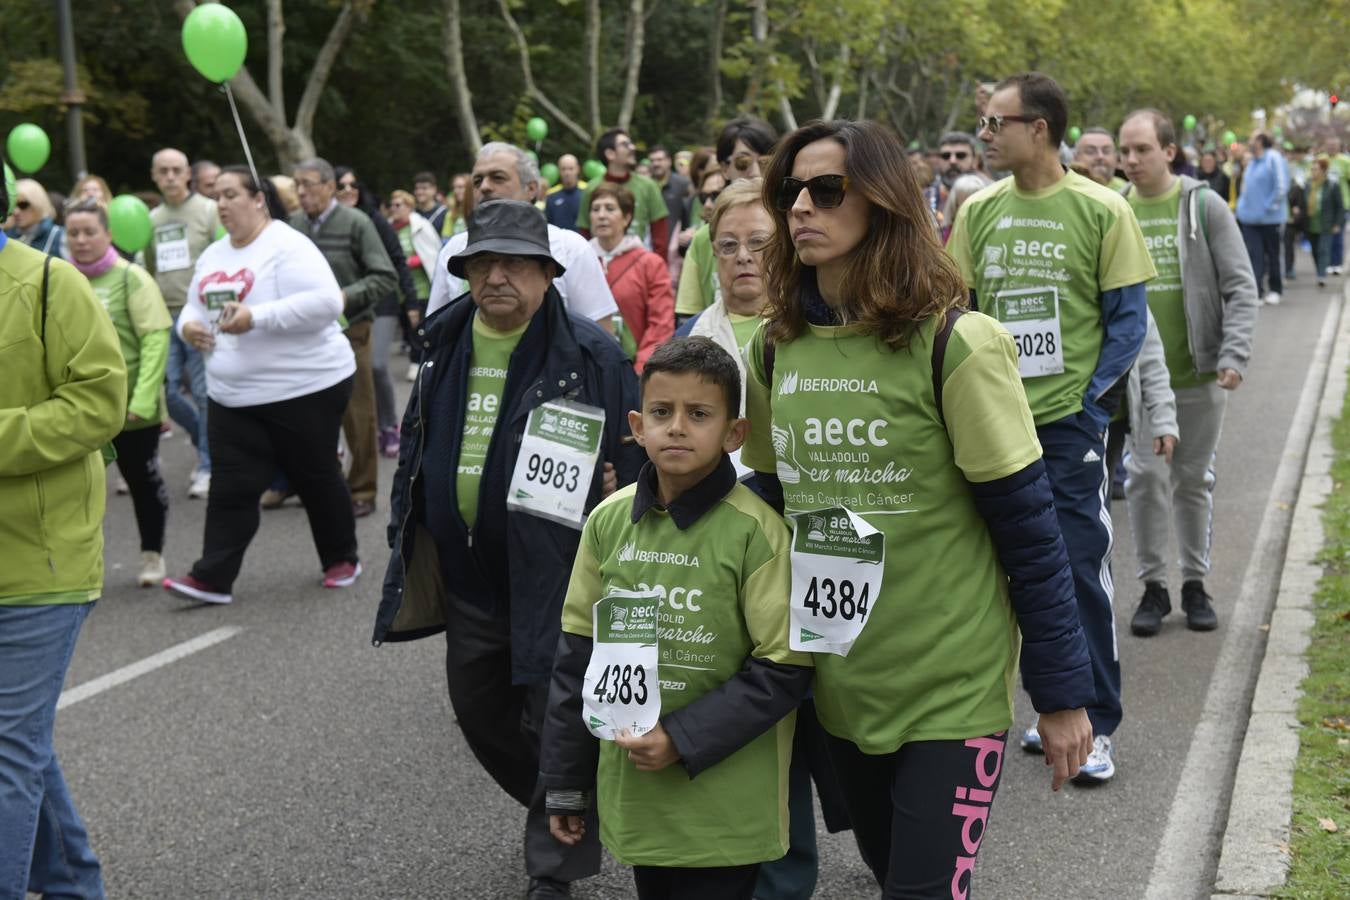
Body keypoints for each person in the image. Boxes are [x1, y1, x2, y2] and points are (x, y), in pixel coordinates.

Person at [742, 119, 1093, 897]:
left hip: (951, 687)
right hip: (840, 684)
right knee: (885, 868)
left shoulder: (957, 345)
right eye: (789, 191)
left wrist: (1064, 693)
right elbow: (767, 509)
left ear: (884, 203)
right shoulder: (773, 349)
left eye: (827, 190)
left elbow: (1031, 531)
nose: (801, 206)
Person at [373, 199, 643, 899]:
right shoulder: (443, 344)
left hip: (556, 571)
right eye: (481, 263)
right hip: (469, 575)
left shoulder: (593, 354)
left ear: (548, 274)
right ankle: (572, 802)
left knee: (549, 714)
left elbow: (638, 460)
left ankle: (553, 866)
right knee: (482, 712)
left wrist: (621, 489)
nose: (496, 276)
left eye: (514, 263)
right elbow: (417, 446)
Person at [541, 337, 812, 900]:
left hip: (726, 800)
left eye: (700, 414)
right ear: (638, 426)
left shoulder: (756, 532)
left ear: (735, 433)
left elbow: (784, 667)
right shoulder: (608, 522)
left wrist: (682, 739)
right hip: (639, 795)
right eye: (662, 413)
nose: (678, 427)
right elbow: (577, 656)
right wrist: (565, 784)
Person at [948, 72, 1155, 783]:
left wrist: (1089, 401)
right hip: (987, 424)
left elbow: (1128, 322)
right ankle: (1039, 711)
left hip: (1067, 427)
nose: (985, 134)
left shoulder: (1102, 209)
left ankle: (1094, 722)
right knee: (993, 574)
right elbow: (959, 308)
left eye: (995, 123)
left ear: (1037, 127)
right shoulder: (978, 211)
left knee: (1074, 569)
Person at [1, 161, 125, 899]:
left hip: (43, 564)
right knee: (16, 745)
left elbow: (98, 405)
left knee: (7, 749)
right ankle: (76, 884)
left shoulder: (52, 284)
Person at [162, 166, 360, 605]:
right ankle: (212, 577)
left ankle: (341, 558)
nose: (223, 204)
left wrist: (257, 317)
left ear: (259, 200)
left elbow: (327, 302)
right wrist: (189, 329)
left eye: (232, 194)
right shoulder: (214, 254)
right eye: (217, 196)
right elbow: (190, 309)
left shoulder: (288, 246)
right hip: (234, 396)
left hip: (305, 388)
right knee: (232, 485)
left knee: (315, 476)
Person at [1117, 109, 1259, 635]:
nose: (1130, 161)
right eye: (1124, 151)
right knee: (1146, 480)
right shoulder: (1114, 209)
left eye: (1141, 150)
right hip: (1140, 380)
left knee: (1193, 480)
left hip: (1199, 375)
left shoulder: (1204, 206)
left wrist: (1234, 355)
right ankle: (1153, 586)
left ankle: (1195, 583)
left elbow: (1241, 286)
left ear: (1169, 151)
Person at [66, 197, 174, 586]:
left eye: (89, 232)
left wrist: (142, 400)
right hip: (78, 410)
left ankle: (152, 556)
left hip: (131, 410)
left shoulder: (132, 278)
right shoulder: (62, 279)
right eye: (73, 233)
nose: (81, 240)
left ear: (108, 234)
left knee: (143, 483)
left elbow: (155, 339)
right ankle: (82, 565)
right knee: (77, 490)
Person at [289, 157, 397, 518]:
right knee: (306, 416)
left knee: (358, 413)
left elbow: (385, 276)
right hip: (304, 333)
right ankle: (316, 486)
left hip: (351, 330)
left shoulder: (357, 223)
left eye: (308, 184)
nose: (301, 193)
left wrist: (344, 297)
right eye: (297, 185)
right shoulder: (293, 226)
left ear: (330, 186)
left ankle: (363, 489)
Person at [425, 142, 618, 333]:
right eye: (477, 181)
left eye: (497, 178)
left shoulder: (571, 248)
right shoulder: (453, 250)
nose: (484, 187)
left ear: (532, 189)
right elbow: (436, 329)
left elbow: (601, 338)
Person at [145, 147, 223, 500]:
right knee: (168, 392)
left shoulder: (208, 210)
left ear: (188, 173)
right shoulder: (151, 218)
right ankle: (204, 441)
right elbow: (147, 266)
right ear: (154, 176)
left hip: (199, 315)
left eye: (177, 170)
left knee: (205, 395)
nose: (171, 177)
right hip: (163, 315)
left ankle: (207, 464)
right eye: (164, 171)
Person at [677, 118, 779, 321]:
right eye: (743, 163)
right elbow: (688, 315)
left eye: (766, 163)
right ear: (724, 168)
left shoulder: (796, 231)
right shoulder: (703, 239)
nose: (756, 173)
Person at [588, 184, 674, 371]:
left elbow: (661, 324)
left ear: (626, 218)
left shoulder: (650, 263)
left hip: (633, 370)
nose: (601, 215)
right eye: (595, 209)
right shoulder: (577, 261)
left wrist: (643, 367)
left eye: (610, 209)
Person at [385, 188, 440, 453]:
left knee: (419, 324)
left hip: (422, 288)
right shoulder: (389, 228)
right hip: (400, 289)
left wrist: (412, 261)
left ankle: (420, 360)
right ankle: (414, 357)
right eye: (392, 204)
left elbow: (432, 253)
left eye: (399, 204)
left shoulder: (420, 226)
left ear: (408, 206)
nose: (395, 208)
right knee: (407, 326)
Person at [575, 129, 670, 253]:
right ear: (610, 154)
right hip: (600, 264)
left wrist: (657, 268)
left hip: (639, 264)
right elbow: (584, 233)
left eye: (631, 143)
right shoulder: (591, 188)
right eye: (625, 144)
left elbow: (660, 234)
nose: (633, 148)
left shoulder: (648, 186)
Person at [1235, 133, 1289, 304]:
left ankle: (1275, 289)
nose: (1249, 142)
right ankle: (1257, 291)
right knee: (1254, 255)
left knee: (1273, 254)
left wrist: (1268, 206)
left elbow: (1282, 186)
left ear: (1260, 141)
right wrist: (1242, 209)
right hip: (1250, 220)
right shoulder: (1251, 162)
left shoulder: (1273, 158)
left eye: (1252, 139)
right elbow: (1246, 189)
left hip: (1270, 219)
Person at [1302, 156, 1345, 288]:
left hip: (1326, 223)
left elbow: (1339, 206)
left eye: (1316, 169)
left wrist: (1338, 223)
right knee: (1315, 250)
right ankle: (1320, 270)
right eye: (1312, 169)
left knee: (1323, 249)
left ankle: (1321, 276)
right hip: (1311, 223)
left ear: (1323, 170)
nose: (1313, 172)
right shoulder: (1308, 184)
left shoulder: (1332, 185)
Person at [5, 179, 65, 257]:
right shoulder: (7, 237)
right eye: (13, 205)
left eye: (23, 205)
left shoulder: (59, 236)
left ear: (38, 204)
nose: (16, 212)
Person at [648, 145, 692, 240]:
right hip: (651, 243)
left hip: (676, 244)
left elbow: (689, 215)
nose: (655, 164)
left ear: (669, 161)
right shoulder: (646, 186)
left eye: (659, 160)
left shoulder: (683, 185)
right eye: (652, 160)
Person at [941, 174, 990, 244]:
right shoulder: (948, 231)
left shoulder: (987, 230)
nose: (966, 211)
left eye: (974, 206)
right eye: (961, 204)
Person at [546, 154, 586, 232]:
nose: (567, 173)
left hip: (582, 241)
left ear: (578, 169)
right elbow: (548, 224)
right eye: (563, 169)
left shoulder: (586, 192)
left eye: (571, 169)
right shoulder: (551, 195)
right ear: (559, 171)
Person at [441, 172, 472, 239]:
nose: (456, 191)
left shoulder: (479, 211)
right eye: (454, 188)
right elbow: (446, 239)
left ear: (470, 189)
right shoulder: (451, 214)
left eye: (460, 187)